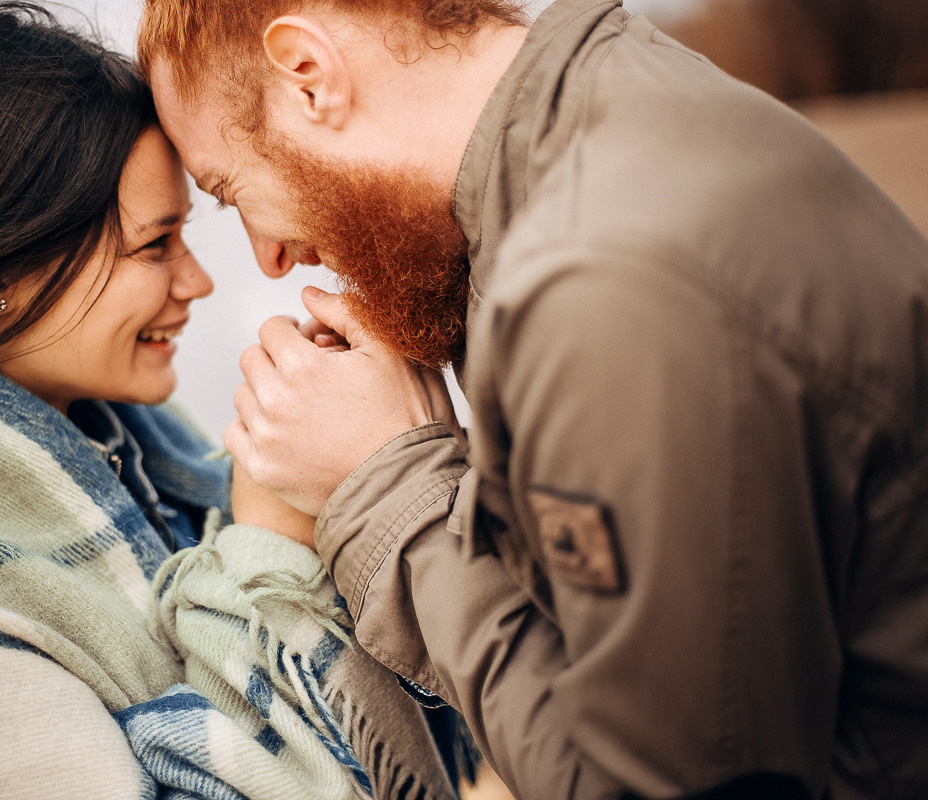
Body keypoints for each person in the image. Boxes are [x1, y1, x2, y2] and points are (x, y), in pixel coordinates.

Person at [138, 0, 928, 797]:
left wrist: (385, 486)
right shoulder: (624, 105)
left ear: (308, 76)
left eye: (230, 191)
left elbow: (648, 782)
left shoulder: (602, 286)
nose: (268, 258)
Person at [0, 4, 456, 798]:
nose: (198, 282)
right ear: (0, 272)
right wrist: (269, 549)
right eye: (154, 244)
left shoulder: (139, 459)